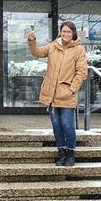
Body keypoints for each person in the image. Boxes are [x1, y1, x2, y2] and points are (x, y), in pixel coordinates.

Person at [27, 21, 87, 166]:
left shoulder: (79, 49)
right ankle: (61, 153)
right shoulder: (54, 46)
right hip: (51, 95)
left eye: (69, 32)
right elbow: (37, 52)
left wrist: (72, 89)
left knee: (67, 125)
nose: (66, 34)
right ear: (60, 32)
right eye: (64, 31)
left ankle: (70, 153)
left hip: (67, 94)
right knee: (56, 125)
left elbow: (82, 72)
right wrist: (32, 41)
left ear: (73, 34)